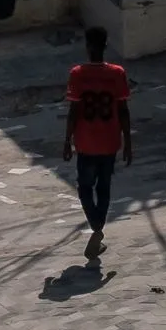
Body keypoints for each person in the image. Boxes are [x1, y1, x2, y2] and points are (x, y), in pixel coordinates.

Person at [66, 26, 132, 261]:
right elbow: (123, 111)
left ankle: (96, 226)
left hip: (85, 142)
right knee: (103, 188)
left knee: (85, 188)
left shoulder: (77, 74)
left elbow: (73, 111)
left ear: (87, 47)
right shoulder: (117, 73)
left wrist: (66, 141)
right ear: (105, 46)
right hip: (109, 141)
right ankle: (98, 228)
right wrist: (128, 142)